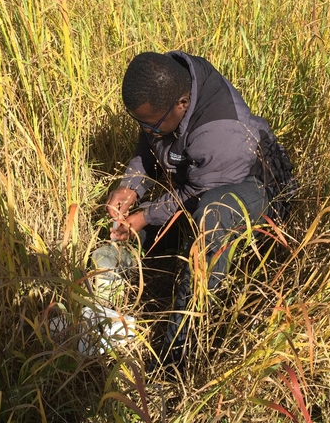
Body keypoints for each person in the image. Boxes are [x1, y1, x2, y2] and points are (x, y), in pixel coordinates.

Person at [106, 51, 295, 368]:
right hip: (203, 179)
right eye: (140, 122)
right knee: (149, 228)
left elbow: (197, 192)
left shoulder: (221, 135)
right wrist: (132, 185)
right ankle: (114, 272)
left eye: (151, 124)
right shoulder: (166, 86)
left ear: (182, 103)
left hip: (258, 188)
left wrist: (145, 215)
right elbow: (149, 141)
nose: (147, 130)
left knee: (212, 216)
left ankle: (176, 356)